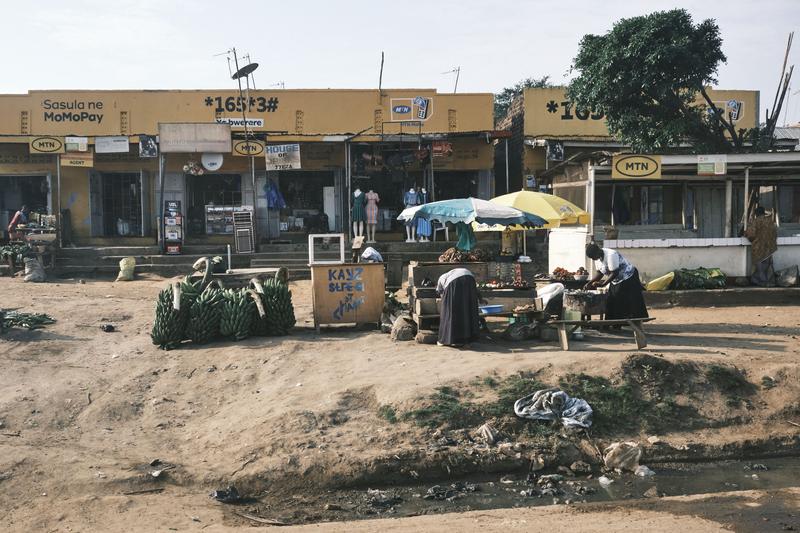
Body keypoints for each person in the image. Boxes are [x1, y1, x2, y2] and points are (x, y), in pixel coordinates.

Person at [584, 243, 648, 320]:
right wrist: (590, 283)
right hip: (616, 279)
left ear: (597, 251)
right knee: (611, 300)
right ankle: (614, 323)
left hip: (628, 277)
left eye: (593, 257)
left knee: (624, 300)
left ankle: (631, 322)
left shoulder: (611, 255)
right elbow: (600, 272)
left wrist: (604, 284)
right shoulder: (597, 259)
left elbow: (614, 272)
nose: (593, 259)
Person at [436, 267, 480, 347]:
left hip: (454, 282)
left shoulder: (441, 278)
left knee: (449, 313)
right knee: (467, 310)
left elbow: (441, 293)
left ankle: (444, 340)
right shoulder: (450, 274)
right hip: (470, 277)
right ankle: (466, 341)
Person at [744, 206, 777, 287]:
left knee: (760, 267)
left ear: (756, 214)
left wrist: (746, 234)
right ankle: (755, 280)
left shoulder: (755, 222)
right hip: (770, 247)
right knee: (765, 265)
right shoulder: (770, 221)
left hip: (758, 248)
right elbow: (775, 233)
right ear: (763, 213)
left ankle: (764, 282)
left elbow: (751, 235)